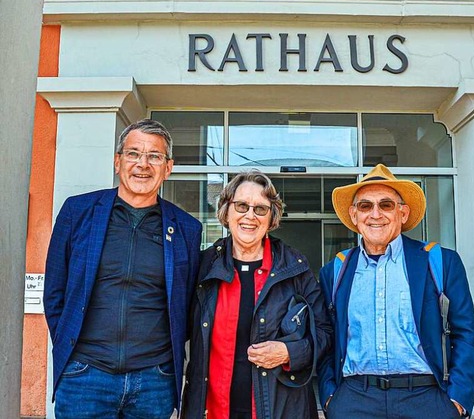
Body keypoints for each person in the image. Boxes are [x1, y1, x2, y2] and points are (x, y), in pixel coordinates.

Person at [44, 119, 202, 418]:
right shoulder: (78, 212)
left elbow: (188, 304)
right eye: (133, 153)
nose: (143, 164)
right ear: (118, 162)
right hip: (84, 375)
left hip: (154, 380)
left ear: (168, 167)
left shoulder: (186, 229)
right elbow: (55, 293)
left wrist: (161, 363)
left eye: (154, 156)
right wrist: (75, 352)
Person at [317, 164, 474, 418]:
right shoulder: (335, 270)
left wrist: (457, 400)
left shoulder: (440, 261)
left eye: (386, 205)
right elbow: (326, 337)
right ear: (353, 215)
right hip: (354, 399)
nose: (375, 214)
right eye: (365, 206)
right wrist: (331, 397)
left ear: (402, 213)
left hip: (426, 399)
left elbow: (466, 334)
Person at [181, 170, 332, 419]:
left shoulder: (294, 267)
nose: (250, 216)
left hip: (281, 410)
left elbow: (325, 335)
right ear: (226, 211)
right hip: (212, 410)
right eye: (241, 206)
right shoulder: (202, 266)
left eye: (260, 209)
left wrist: (289, 352)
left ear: (271, 216)